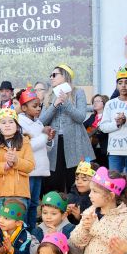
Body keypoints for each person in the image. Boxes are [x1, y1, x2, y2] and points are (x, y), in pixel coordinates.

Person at [40, 64, 94, 194]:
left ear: (65, 75)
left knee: (75, 179)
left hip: (75, 143)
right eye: (50, 75)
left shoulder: (78, 92)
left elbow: (81, 117)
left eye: (54, 75)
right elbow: (41, 121)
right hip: (55, 143)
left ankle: (76, 212)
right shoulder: (49, 95)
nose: (51, 78)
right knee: (54, 180)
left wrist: (66, 103)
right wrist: (54, 105)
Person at [0, 107, 34, 221]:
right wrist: (5, 165)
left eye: (11, 122)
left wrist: (17, 161)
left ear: (17, 126)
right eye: (3, 122)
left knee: (18, 224)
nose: (7, 125)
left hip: (19, 194)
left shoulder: (25, 142)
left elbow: (30, 165)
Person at [99, 66, 127, 186]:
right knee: (113, 185)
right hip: (114, 151)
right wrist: (117, 123)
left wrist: (126, 121)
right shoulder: (110, 104)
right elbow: (103, 127)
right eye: (120, 83)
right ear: (116, 85)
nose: (123, 86)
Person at [17, 86, 52, 229]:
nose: (38, 109)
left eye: (39, 106)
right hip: (29, 171)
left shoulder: (38, 122)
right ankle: (23, 230)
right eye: (34, 106)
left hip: (40, 169)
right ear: (24, 108)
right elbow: (27, 146)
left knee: (34, 204)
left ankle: (31, 229)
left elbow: (45, 147)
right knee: (26, 203)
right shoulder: (19, 122)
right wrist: (44, 135)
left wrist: (49, 139)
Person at [85, 94, 109, 168]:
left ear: (104, 103)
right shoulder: (92, 117)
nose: (95, 103)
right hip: (92, 149)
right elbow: (82, 127)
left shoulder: (108, 116)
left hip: (105, 149)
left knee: (105, 170)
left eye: (98, 101)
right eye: (93, 101)